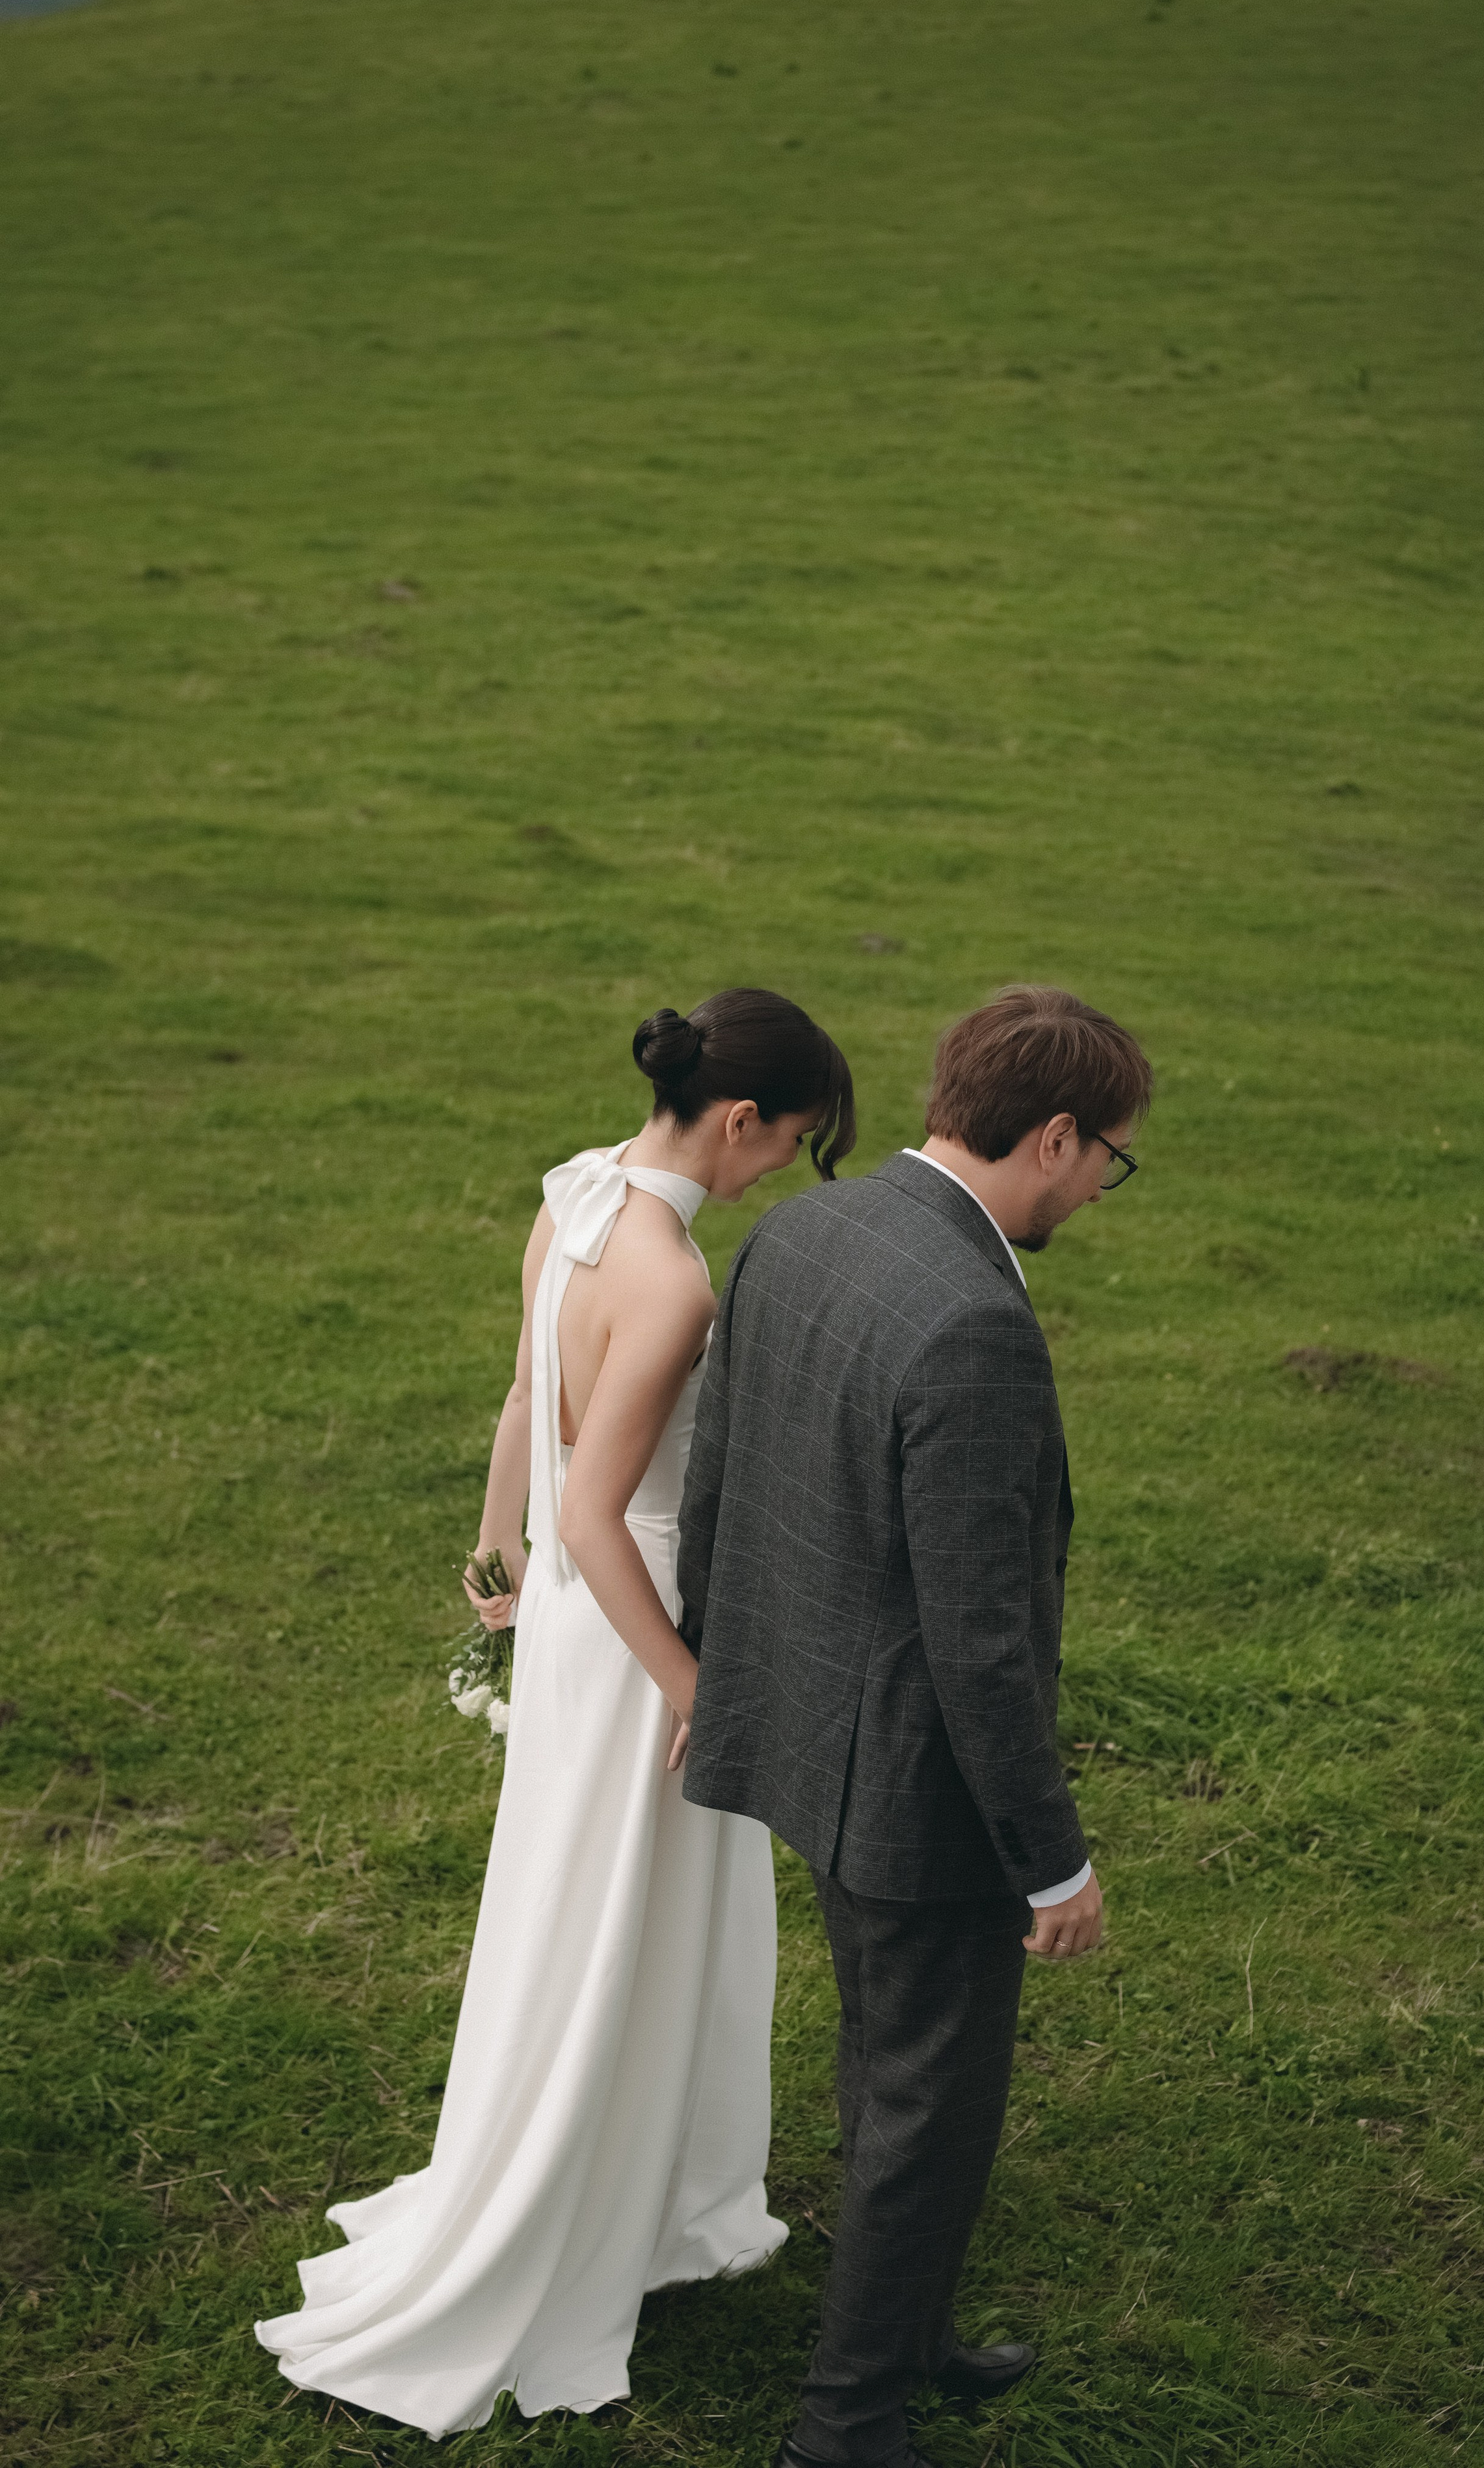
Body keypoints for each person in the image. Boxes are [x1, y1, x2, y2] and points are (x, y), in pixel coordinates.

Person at [257, 989, 856, 2439]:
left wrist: (491, 1555)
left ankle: (635, 2184)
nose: (783, 1169)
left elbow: (527, 1402)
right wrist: (695, 1689)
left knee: (583, 1913)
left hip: (580, 1629)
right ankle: (592, 2206)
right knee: (615, 1928)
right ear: (737, 1120)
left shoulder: (579, 1188)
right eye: (792, 1144)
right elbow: (598, 1512)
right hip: (635, 1621)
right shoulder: (670, 1285)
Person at [678, 984, 1152, 2468]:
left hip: (806, 1728)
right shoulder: (971, 1327)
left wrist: (721, 1671)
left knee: (893, 2066)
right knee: (927, 2097)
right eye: (1106, 1162)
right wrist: (1050, 1862)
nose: (1098, 1190)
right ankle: (846, 2422)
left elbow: (722, 1479)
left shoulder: (798, 1230)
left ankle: (910, 2329)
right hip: (909, 1785)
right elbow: (981, 1643)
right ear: (1053, 1134)